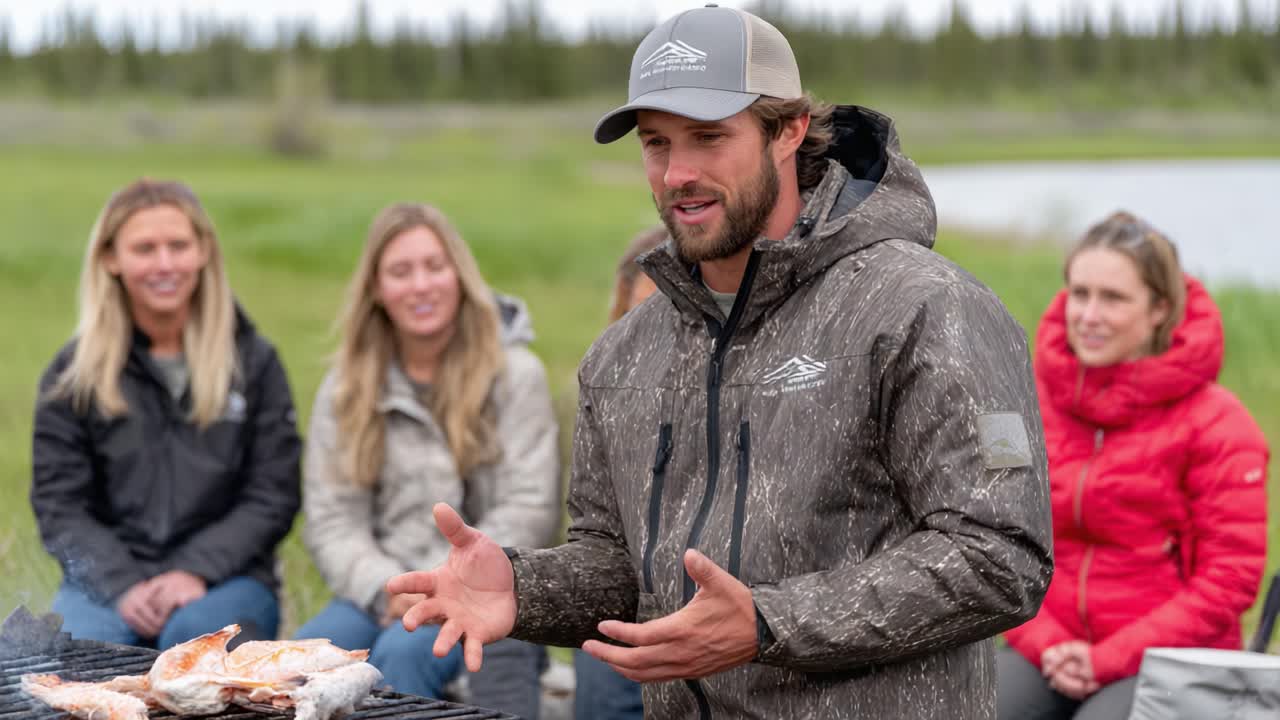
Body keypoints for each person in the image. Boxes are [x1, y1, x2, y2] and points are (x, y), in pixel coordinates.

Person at [389, 6, 1053, 719]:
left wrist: (768, 624)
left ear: (789, 129)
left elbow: (1000, 555)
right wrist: (524, 589)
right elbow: (619, 567)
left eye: (708, 137)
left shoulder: (927, 308)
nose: (679, 173)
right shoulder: (622, 355)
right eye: (656, 143)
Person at [998, 211, 1269, 720]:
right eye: (1080, 293)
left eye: (1113, 298)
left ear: (1159, 309)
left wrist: (1107, 659)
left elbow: (1230, 578)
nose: (1089, 315)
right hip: (1047, 645)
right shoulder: (1024, 402)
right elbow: (997, 539)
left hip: (1171, 656)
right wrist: (1046, 643)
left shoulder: (1219, 424)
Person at [297, 202, 559, 717]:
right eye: (401, 272)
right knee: (302, 664)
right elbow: (332, 519)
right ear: (377, 289)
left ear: (459, 276)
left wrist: (448, 583)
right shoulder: (347, 387)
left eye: (434, 267)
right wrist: (387, 588)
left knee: (405, 654)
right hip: (381, 589)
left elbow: (530, 505)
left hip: (484, 587)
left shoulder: (515, 375)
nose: (420, 285)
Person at [30, 178, 302, 650]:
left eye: (178, 246)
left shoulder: (253, 364)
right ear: (111, 259)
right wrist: (121, 584)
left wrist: (195, 570)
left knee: (194, 645)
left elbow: (273, 493)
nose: (165, 264)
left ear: (203, 252)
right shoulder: (72, 376)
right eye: (145, 248)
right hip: (104, 586)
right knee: (78, 654)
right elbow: (60, 503)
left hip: (227, 582)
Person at [573, 224, 668, 720]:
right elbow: (593, 536)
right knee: (600, 672)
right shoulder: (607, 395)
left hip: (724, 606)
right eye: (641, 316)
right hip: (626, 597)